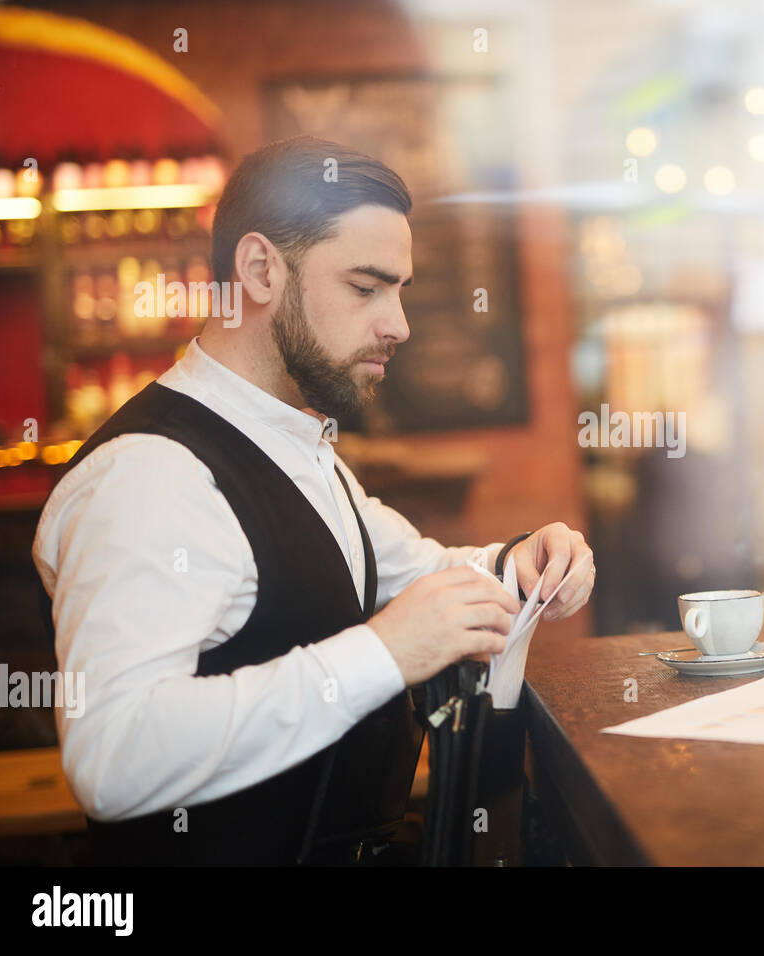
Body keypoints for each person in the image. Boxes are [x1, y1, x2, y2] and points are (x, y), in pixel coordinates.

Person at [30, 136, 595, 865]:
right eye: (366, 287)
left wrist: (520, 565)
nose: (400, 324)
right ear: (261, 269)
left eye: (401, 290)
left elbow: (416, 574)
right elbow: (113, 756)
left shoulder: (294, 444)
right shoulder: (149, 476)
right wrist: (385, 651)